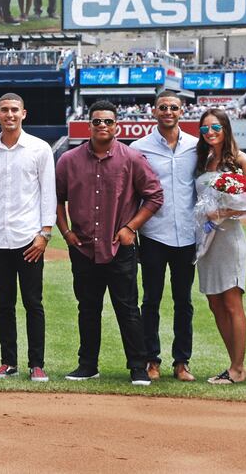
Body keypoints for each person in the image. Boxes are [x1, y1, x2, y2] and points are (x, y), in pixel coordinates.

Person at [56, 100, 163, 385]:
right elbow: (55, 199)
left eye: (108, 121)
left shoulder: (131, 158)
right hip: (82, 247)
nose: (102, 126)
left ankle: (138, 366)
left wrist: (130, 228)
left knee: (127, 309)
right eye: (97, 121)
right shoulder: (69, 160)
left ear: (117, 125)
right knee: (87, 308)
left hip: (120, 246)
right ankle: (87, 365)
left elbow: (154, 196)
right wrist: (66, 233)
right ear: (88, 125)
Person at [0, 93, 57, 383]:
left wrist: (45, 234)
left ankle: (37, 364)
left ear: (24, 114)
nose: (10, 114)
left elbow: (49, 193)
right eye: (5, 110)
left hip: (29, 239)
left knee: (33, 303)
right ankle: (8, 362)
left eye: (15, 110)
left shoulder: (39, 149)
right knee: (4, 304)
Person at [131, 91, 198, 383]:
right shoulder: (138, 148)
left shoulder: (197, 146)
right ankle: (151, 360)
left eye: (174, 107)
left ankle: (181, 362)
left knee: (184, 301)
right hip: (154, 234)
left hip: (187, 233)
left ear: (181, 111)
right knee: (152, 300)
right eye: (163, 107)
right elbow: (133, 191)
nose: (168, 111)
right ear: (153, 111)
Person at [194, 108, 246, 385]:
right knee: (214, 303)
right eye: (205, 128)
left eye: (216, 128)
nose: (210, 133)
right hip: (207, 240)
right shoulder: (204, 159)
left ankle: (237, 368)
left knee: (232, 303)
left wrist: (222, 213)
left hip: (229, 238)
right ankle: (235, 365)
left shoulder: (241, 160)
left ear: (226, 128)